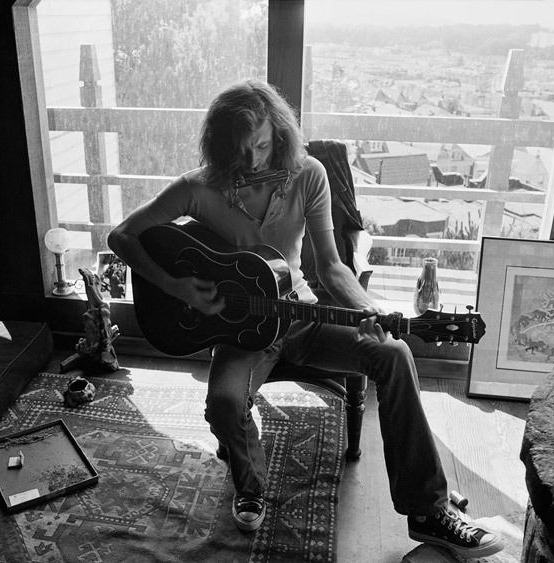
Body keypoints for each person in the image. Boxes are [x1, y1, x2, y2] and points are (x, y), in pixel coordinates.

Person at [107, 78, 504, 558]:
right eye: (239, 150)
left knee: (395, 352)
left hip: (303, 318)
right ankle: (248, 482)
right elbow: (123, 236)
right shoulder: (198, 188)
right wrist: (176, 286)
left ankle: (429, 509)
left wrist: (371, 312)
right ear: (219, 146)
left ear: (279, 133)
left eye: (261, 145)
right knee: (225, 403)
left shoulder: (308, 175)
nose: (253, 160)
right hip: (242, 332)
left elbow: (331, 267)